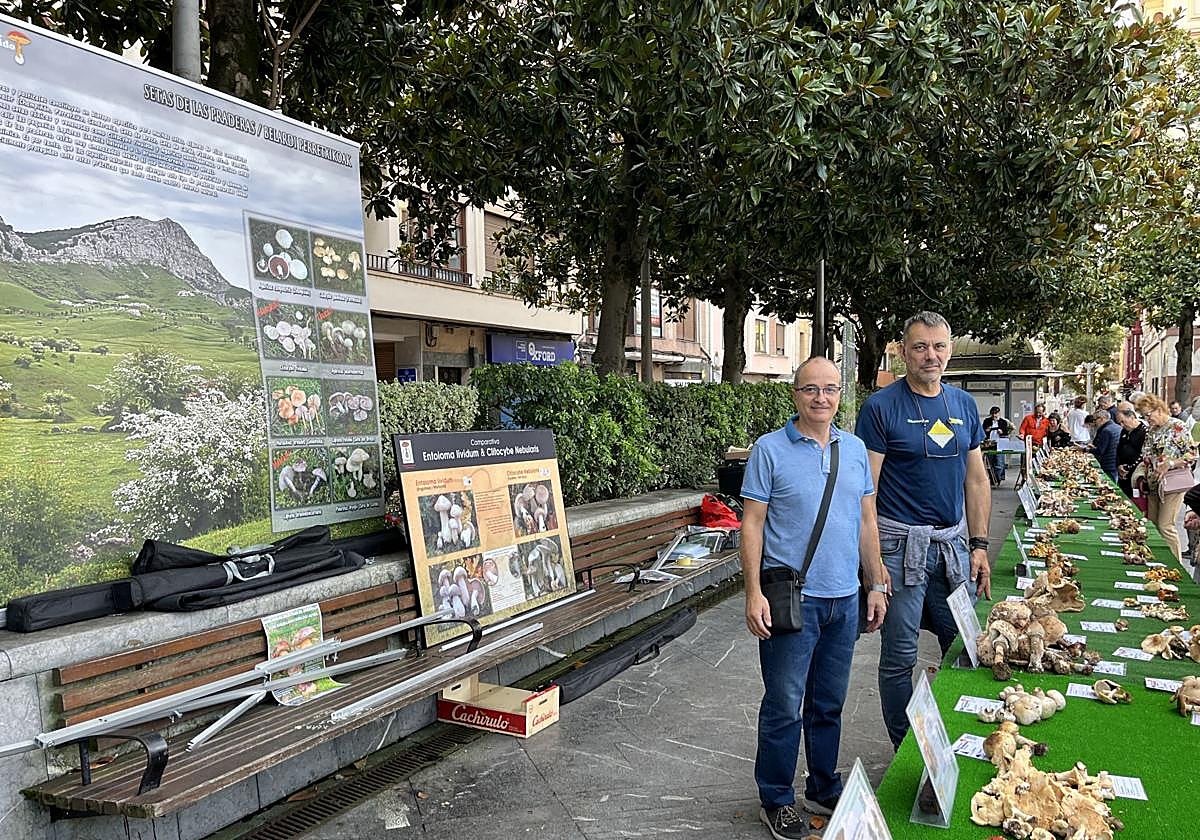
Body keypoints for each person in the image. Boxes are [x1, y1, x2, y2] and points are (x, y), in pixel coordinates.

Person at [741, 356, 889, 840]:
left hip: (844, 600)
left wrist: (877, 581)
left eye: (829, 389)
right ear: (795, 394)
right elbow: (753, 525)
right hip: (792, 600)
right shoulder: (769, 450)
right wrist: (753, 592)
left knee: (828, 702)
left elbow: (867, 522)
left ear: (840, 393)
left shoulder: (856, 449)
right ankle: (777, 798)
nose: (820, 398)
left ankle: (823, 785)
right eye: (810, 389)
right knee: (784, 704)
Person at [857, 311, 991, 751]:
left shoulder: (964, 405)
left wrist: (979, 544)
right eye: (920, 346)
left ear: (949, 350)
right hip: (899, 548)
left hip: (952, 546)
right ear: (902, 350)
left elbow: (976, 479)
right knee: (900, 658)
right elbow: (866, 494)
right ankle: (907, 751)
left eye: (938, 346)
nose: (930, 356)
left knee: (966, 647)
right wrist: (874, 569)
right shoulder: (880, 407)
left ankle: (958, 739)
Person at [1134, 394, 1198, 562]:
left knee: (1165, 525)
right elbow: (1146, 455)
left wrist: (1170, 463)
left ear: (1159, 409)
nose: (1147, 419)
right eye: (1144, 416)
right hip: (1153, 484)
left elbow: (1192, 454)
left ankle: (1175, 565)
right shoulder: (1151, 430)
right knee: (1153, 525)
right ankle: (1158, 562)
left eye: (1148, 415)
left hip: (1173, 483)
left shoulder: (1177, 426)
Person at [1115, 401, 1147, 499]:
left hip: (1135, 474)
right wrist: (1119, 465)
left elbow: (1143, 454)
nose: (1121, 425)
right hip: (1122, 474)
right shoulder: (1124, 431)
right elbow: (1118, 449)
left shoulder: (1144, 432)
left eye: (1123, 422)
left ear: (1132, 417)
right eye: (1119, 423)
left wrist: (1129, 468)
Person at [1084, 409, 1120, 483]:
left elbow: (1100, 451)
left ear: (1101, 419)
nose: (1094, 422)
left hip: (1108, 464)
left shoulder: (1106, 430)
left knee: (1109, 484)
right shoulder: (1116, 427)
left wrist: (1085, 449)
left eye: (1095, 420)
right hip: (1115, 463)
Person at [981, 406, 1012, 483]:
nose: (994, 415)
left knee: (999, 462)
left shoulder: (1003, 422)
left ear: (999, 413)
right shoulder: (987, 421)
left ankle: (999, 478)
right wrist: (987, 431)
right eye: (993, 414)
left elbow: (1006, 432)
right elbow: (982, 432)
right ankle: (992, 478)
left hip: (1000, 444)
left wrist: (1002, 432)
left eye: (996, 413)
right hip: (990, 444)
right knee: (990, 462)